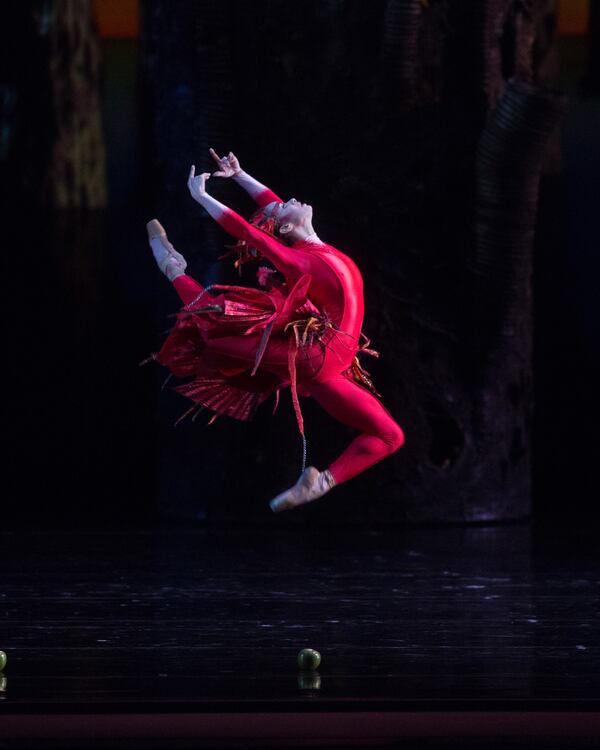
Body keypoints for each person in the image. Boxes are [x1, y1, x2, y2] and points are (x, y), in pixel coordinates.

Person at [146, 149, 404, 512]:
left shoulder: (317, 246)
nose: (288, 200)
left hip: (332, 371)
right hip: (318, 357)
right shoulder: (300, 261)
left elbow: (271, 205)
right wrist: (201, 196)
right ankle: (173, 267)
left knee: (391, 436)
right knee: (215, 320)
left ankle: (319, 483)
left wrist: (239, 175)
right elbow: (248, 231)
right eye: (285, 207)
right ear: (286, 228)